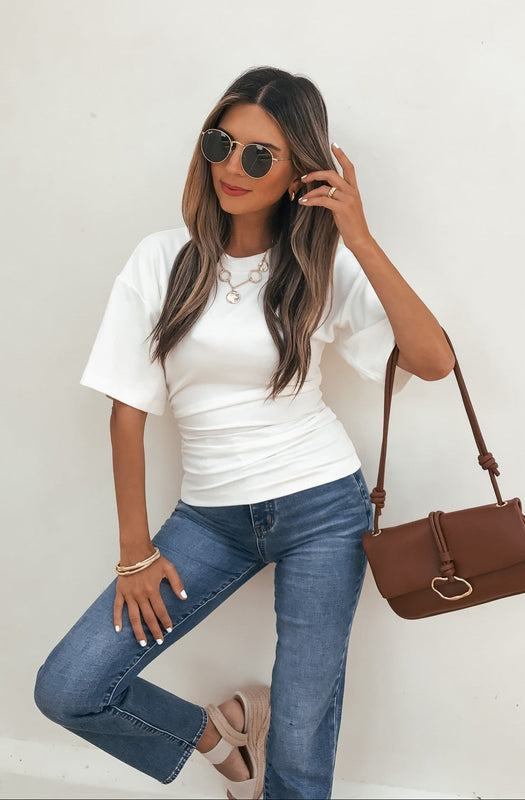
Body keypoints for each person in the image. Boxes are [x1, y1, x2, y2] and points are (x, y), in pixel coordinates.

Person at [34, 65, 454, 800]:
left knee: (299, 737)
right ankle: (220, 735)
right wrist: (135, 554)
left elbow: (433, 360)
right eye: (220, 144)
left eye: (259, 155)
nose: (232, 167)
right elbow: (125, 411)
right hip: (211, 519)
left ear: (299, 168)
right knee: (70, 686)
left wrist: (355, 232)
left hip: (323, 509)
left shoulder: (321, 262)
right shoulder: (162, 260)